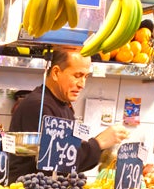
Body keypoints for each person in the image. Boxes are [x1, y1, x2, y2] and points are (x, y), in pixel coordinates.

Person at [8, 46, 128, 181]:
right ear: (55, 73)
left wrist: (102, 143)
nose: (82, 84)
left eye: (86, 77)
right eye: (77, 76)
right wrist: (99, 143)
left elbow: (70, 154)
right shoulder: (38, 106)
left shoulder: (63, 105)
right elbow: (60, 161)